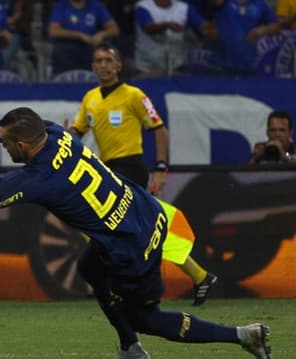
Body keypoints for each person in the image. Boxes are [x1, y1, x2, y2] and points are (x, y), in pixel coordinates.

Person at [0, 107, 273, 359]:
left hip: (134, 247)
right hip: (144, 213)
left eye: (7, 144)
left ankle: (242, 336)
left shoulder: (39, 178)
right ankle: (129, 348)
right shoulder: (55, 133)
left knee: (147, 317)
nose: (3, 147)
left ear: (22, 145)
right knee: (89, 265)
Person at [67, 42, 217, 306]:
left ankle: (113, 283)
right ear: (92, 66)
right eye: (98, 61)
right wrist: (64, 137)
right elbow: (78, 131)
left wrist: (160, 167)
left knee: (110, 226)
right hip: (108, 168)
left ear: (118, 65)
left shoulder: (133, 95)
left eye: (107, 60)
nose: (103, 65)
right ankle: (199, 275)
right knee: (141, 230)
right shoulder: (90, 98)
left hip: (130, 167)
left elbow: (159, 129)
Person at [133, 0, 215, 78]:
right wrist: (167, 25)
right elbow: (149, 28)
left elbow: (203, 26)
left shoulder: (183, 7)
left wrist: (210, 29)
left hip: (175, 66)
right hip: (147, 68)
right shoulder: (143, 6)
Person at [47, 0, 119, 76]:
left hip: (90, 48)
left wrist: (101, 34)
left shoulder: (96, 5)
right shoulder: (61, 6)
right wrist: (79, 35)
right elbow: (53, 31)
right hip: (66, 50)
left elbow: (114, 29)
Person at [209, 0, 279, 74]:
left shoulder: (260, 3)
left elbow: (276, 27)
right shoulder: (223, 2)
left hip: (247, 66)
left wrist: (262, 31)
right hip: (221, 66)